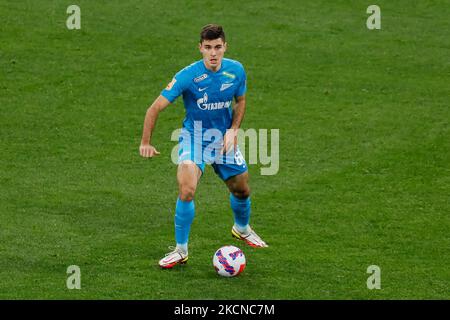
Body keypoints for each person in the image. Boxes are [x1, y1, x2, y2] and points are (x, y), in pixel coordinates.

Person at [139, 24, 268, 269]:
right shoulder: (187, 76)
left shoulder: (236, 70)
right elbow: (154, 108)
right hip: (193, 138)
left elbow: (240, 101)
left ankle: (242, 229)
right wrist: (146, 142)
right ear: (200, 48)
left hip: (222, 139)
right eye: (208, 47)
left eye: (217, 47)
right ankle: (180, 250)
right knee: (187, 188)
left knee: (242, 189)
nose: (213, 53)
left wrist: (233, 130)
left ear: (225, 47)